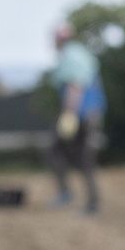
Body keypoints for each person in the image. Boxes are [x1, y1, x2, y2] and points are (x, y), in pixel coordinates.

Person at [44, 24, 103, 215]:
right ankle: (75, 196)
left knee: (63, 153)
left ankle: (74, 197)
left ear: (59, 40)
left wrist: (69, 115)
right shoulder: (81, 53)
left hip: (79, 113)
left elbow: (75, 86)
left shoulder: (70, 56)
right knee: (79, 156)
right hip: (91, 112)